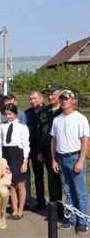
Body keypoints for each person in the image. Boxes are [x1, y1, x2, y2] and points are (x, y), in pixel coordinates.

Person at [51, 90, 89, 235]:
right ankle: (72, 218)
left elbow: (86, 140)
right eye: (61, 99)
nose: (64, 101)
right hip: (61, 158)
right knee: (68, 191)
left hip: (75, 158)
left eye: (67, 99)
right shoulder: (57, 119)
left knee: (80, 191)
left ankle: (83, 221)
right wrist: (54, 159)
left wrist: (80, 160)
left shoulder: (80, 118)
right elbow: (54, 140)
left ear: (73, 100)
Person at [0, 103, 29, 221]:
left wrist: (25, 161)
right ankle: (14, 209)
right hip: (6, 154)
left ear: (15, 113)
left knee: (20, 184)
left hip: (18, 155)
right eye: (6, 114)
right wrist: (1, 160)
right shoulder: (2, 126)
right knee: (11, 184)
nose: (8, 116)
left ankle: (20, 210)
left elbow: (26, 145)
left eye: (10, 114)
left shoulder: (22, 126)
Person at [36, 83, 64, 217]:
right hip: (48, 151)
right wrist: (40, 150)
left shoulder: (65, 110)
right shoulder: (45, 112)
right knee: (52, 181)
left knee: (67, 182)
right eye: (48, 94)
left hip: (64, 151)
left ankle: (73, 212)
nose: (50, 97)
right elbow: (40, 132)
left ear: (60, 94)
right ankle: (56, 211)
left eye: (52, 94)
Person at [25, 90, 47, 211]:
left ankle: (55, 204)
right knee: (36, 176)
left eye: (35, 98)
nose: (33, 101)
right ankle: (39, 201)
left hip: (46, 148)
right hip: (32, 148)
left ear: (41, 98)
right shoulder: (28, 113)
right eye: (31, 99)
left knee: (50, 177)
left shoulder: (47, 111)